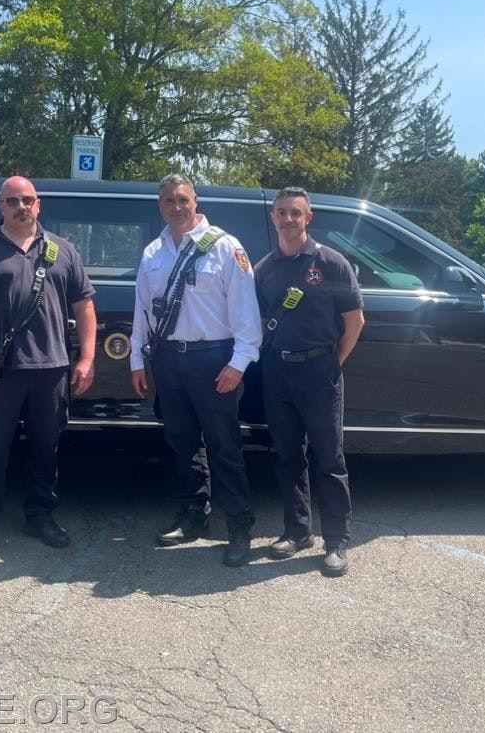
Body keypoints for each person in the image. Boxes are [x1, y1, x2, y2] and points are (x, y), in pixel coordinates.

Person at [0, 176, 96, 564]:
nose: (21, 206)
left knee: (46, 448)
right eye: (12, 200)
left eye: (27, 199)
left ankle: (41, 517)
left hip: (52, 369)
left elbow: (83, 306)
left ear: (38, 204)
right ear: (2, 206)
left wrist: (86, 358)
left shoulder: (62, 250)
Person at [131, 174, 262, 567]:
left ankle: (239, 524)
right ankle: (193, 514)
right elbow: (142, 310)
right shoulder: (153, 252)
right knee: (183, 442)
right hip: (169, 360)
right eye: (169, 200)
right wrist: (137, 360)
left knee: (224, 445)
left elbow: (246, 314)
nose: (176, 207)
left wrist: (238, 365)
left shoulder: (224, 247)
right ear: (160, 205)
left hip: (213, 359)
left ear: (196, 200)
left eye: (182, 199)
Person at [254, 186, 365, 577]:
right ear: (273, 217)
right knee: (287, 457)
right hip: (277, 373)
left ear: (308, 217)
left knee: (329, 458)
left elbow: (355, 322)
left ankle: (337, 541)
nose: (288, 219)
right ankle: (297, 530)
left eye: (295, 213)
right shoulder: (263, 269)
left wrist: (331, 363)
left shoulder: (332, 264)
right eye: (281, 212)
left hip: (319, 371)